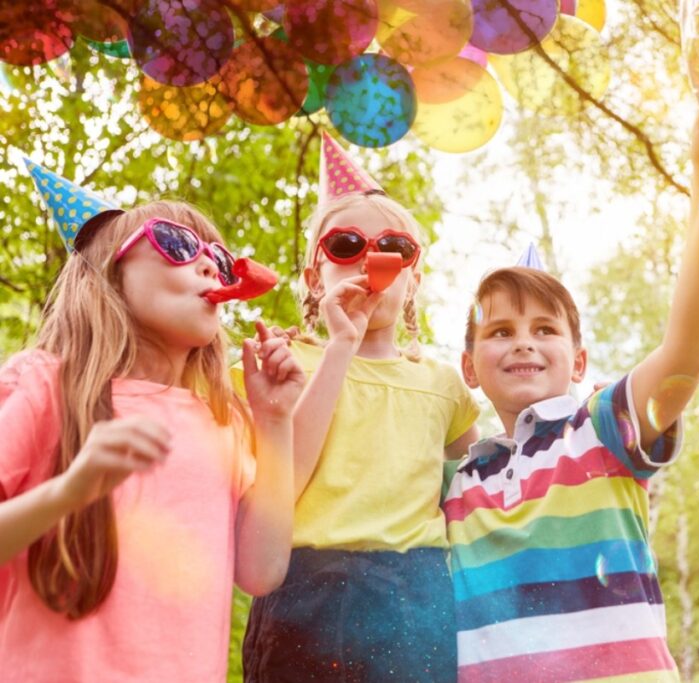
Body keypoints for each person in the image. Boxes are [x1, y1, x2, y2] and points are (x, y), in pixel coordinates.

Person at [443, 78, 699, 681]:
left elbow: (688, 348)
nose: (523, 342)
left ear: (579, 362)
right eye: (501, 331)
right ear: (469, 367)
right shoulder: (455, 481)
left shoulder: (600, 429)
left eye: (544, 329)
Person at [0, 160, 304, 682]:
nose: (210, 267)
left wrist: (275, 421)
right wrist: (69, 492)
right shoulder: (45, 385)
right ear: (110, 275)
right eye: (176, 243)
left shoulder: (221, 420)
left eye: (221, 260)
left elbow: (262, 572)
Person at [242, 133, 479, 682]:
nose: (372, 261)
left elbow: (483, 484)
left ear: (413, 280)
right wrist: (340, 347)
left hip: (416, 596)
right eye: (346, 245)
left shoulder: (443, 385)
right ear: (313, 279)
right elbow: (277, 486)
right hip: (303, 590)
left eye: (395, 248)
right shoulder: (279, 367)